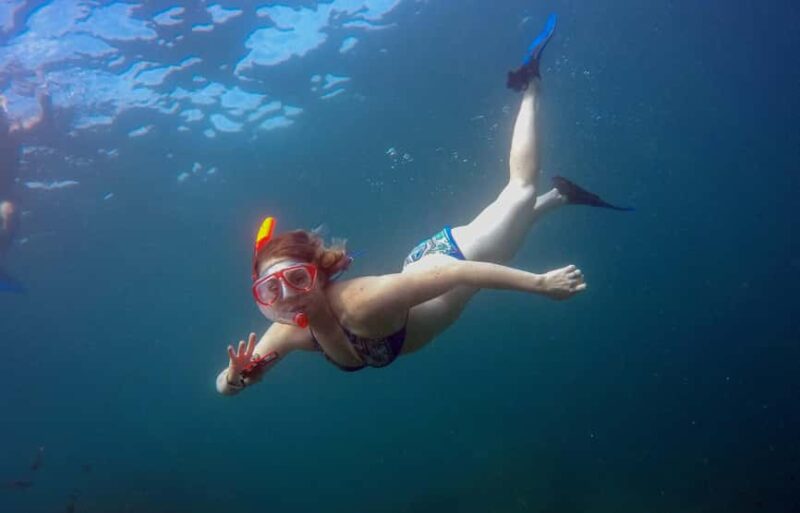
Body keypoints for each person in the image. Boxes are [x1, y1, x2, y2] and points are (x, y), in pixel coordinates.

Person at [216, 14, 630, 394]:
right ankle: (560, 195)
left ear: (320, 275)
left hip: (453, 258)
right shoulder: (287, 333)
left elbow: (457, 271)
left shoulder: (363, 302)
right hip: (436, 270)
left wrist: (541, 285)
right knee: (512, 228)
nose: (288, 296)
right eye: (272, 289)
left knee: (518, 191)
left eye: (297, 279)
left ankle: (530, 83)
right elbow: (225, 386)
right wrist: (236, 377)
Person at [0, 87, 52, 291]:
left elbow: (42, 121)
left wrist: (45, 104)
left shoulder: (15, 131)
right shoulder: (14, 131)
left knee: (10, 213)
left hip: (5, 191)